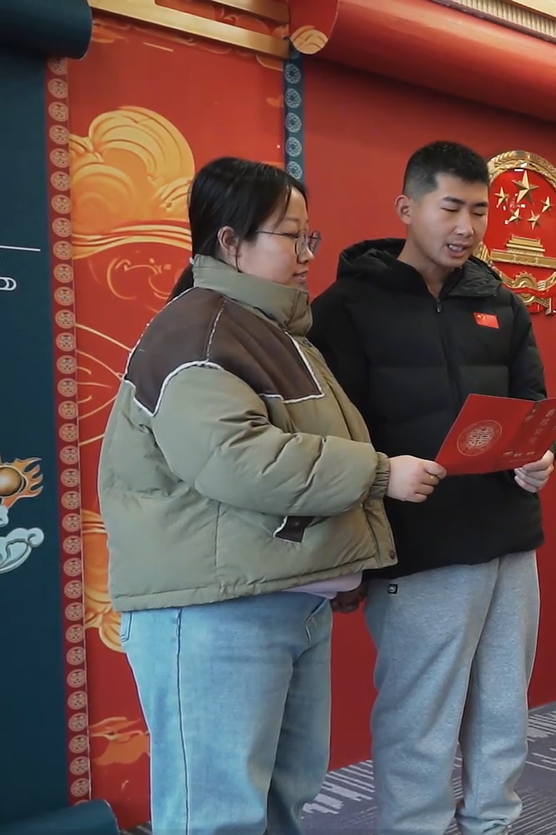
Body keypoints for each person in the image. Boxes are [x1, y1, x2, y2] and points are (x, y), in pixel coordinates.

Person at [98, 157, 446, 835]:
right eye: (291, 235)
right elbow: (237, 459)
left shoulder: (271, 329)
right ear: (231, 242)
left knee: (285, 797)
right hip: (217, 611)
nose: (307, 254)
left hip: (282, 599)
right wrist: (378, 473)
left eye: (309, 236)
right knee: (218, 814)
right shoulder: (198, 333)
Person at [307, 140, 556, 835]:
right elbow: (331, 429)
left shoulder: (501, 302)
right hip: (415, 543)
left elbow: (533, 403)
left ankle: (492, 820)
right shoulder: (346, 307)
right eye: (450, 208)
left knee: (504, 705)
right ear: (407, 208)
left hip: (508, 535)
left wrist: (542, 457)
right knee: (422, 713)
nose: (466, 227)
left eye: (479, 210)